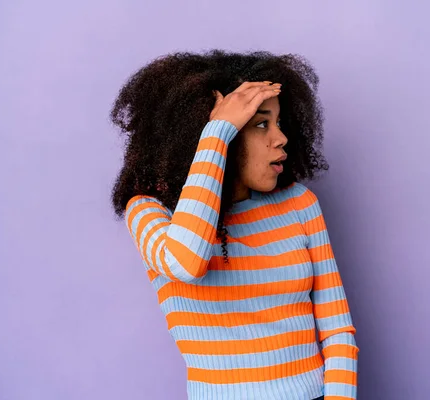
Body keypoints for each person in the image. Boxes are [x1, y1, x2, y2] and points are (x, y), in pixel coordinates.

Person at [109, 50, 359, 400]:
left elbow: (338, 331)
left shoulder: (300, 205)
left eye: (279, 123)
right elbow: (186, 261)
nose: (281, 138)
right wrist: (217, 133)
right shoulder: (151, 211)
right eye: (260, 124)